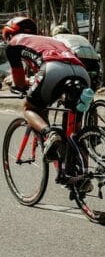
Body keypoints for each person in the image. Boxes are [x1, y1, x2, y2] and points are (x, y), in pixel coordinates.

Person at [1, 16, 92, 161]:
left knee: (29, 108)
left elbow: (20, 83)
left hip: (53, 69)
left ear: (9, 35)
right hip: (81, 72)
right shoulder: (49, 40)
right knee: (75, 132)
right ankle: (81, 170)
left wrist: (17, 82)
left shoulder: (13, 44)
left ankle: (50, 134)